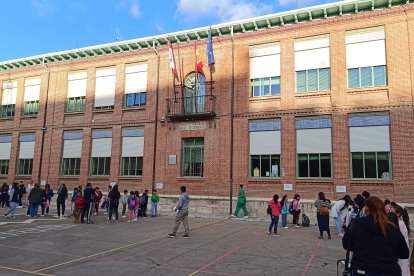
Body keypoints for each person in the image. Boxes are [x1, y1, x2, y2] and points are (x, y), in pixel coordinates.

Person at [342, 196, 409, 276]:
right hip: (389, 271)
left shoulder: (356, 224)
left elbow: (346, 245)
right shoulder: (392, 227)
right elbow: (404, 253)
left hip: (362, 270)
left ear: (366, 208)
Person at [393, 205, 410, 276]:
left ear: (398, 214)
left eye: (392, 210)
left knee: (402, 269)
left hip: (401, 250)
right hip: (402, 249)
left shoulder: (400, 223)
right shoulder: (400, 222)